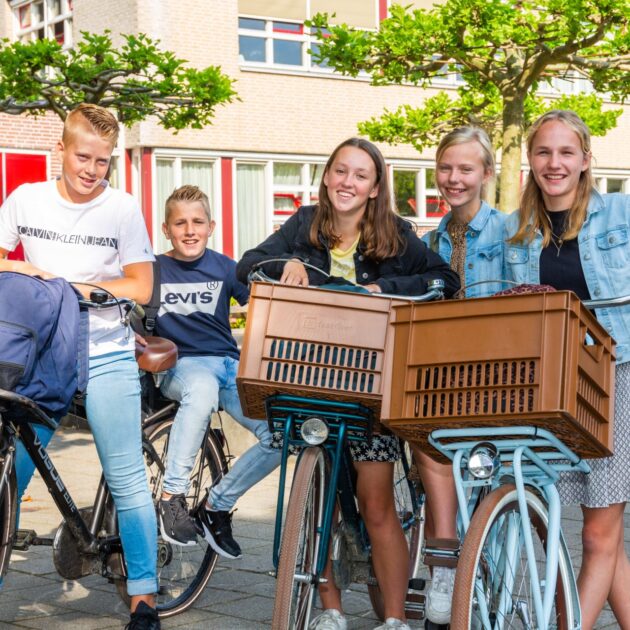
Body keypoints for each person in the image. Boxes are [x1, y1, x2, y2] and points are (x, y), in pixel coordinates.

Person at [237, 137, 460, 630]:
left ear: (375, 187)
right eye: (341, 171)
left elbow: (444, 280)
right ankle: (330, 609)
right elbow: (245, 269)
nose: (347, 182)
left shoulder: (396, 235)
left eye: (360, 175)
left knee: (376, 502)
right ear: (327, 175)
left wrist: (382, 289)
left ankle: (396, 619)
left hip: (369, 388)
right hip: (308, 378)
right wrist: (283, 265)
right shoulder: (302, 225)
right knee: (314, 503)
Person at [0, 104, 160, 629]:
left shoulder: (121, 208)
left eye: (104, 161)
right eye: (83, 157)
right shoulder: (27, 199)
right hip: (44, 352)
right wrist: (19, 265)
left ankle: (143, 597)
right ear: (61, 151)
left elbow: (140, 285)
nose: (93, 170)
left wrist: (68, 287)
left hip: (106, 348)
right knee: (10, 473)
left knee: (126, 474)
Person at [504, 109, 630, 628]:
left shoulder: (621, 214)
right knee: (596, 531)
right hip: (551, 382)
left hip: (615, 374)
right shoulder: (515, 230)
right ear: (530, 161)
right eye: (543, 152)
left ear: (584, 161)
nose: (554, 163)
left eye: (565, 153)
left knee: (598, 533)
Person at [154, 185, 282, 557]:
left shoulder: (225, 266)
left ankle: (215, 506)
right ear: (166, 229)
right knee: (202, 388)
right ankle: (171, 495)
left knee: (281, 434)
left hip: (228, 366)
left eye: (197, 222)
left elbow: (263, 303)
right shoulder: (154, 269)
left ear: (211, 226)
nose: (189, 230)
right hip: (182, 366)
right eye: (180, 223)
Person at [416, 125, 505, 625]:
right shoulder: (429, 240)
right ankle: (445, 567)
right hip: (445, 374)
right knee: (425, 438)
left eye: (466, 169)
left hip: (497, 372)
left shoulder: (512, 230)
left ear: (487, 174)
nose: (454, 178)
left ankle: (482, 553)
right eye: (446, 168)